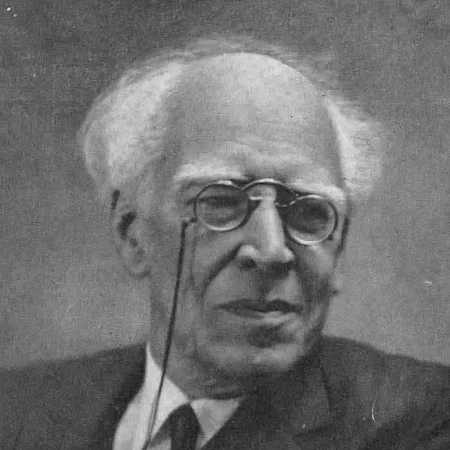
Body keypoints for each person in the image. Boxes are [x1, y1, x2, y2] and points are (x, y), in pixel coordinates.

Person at [1, 35, 449, 450]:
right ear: (131, 231)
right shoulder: (16, 410)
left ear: (340, 245)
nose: (271, 250)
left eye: (310, 213)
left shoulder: (423, 421)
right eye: (219, 202)